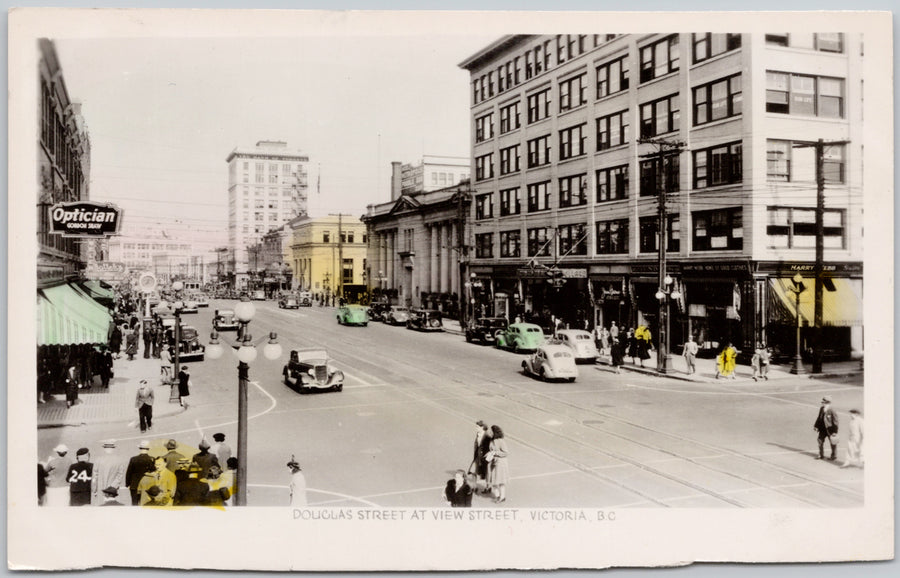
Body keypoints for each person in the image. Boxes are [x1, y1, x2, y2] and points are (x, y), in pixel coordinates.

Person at [91, 440, 126, 505]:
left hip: (100, 489)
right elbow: (120, 476)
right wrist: (113, 486)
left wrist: (94, 490)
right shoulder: (119, 460)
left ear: (104, 448)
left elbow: (94, 477)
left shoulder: (98, 460)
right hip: (113, 490)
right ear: (113, 449)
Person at [125, 440, 156, 505]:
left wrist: (127, 484)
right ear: (148, 448)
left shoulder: (133, 459)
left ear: (140, 448)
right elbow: (154, 472)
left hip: (134, 485)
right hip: (146, 485)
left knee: (134, 503)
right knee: (145, 503)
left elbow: (129, 472)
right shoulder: (151, 459)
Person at [486, 425, 509, 504]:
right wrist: (489, 454)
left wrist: (495, 453)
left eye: (490, 431)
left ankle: (502, 497)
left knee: (500, 481)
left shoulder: (501, 441)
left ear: (494, 432)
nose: (489, 432)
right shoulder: (491, 440)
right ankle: (498, 496)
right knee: (494, 481)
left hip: (501, 463)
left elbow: (506, 453)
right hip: (493, 462)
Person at [813, 396, 839, 461]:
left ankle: (833, 456)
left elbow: (836, 421)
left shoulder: (832, 410)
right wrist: (816, 426)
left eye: (823, 402)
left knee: (833, 443)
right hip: (822, 429)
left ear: (828, 403)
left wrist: (835, 432)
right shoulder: (822, 408)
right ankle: (821, 455)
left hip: (830, 429)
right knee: (819, 441)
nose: (822, 403)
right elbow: (819, 418)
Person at [470, 420, 491, 489]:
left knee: (486, 472)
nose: (476, 428)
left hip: (485, 457)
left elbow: (490, 447)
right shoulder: (478, 434)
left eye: (477, 427)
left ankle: (488, 487)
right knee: (473, 470)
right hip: (477, 456)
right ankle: (474, 487)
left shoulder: (487, 436)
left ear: (482, 427)